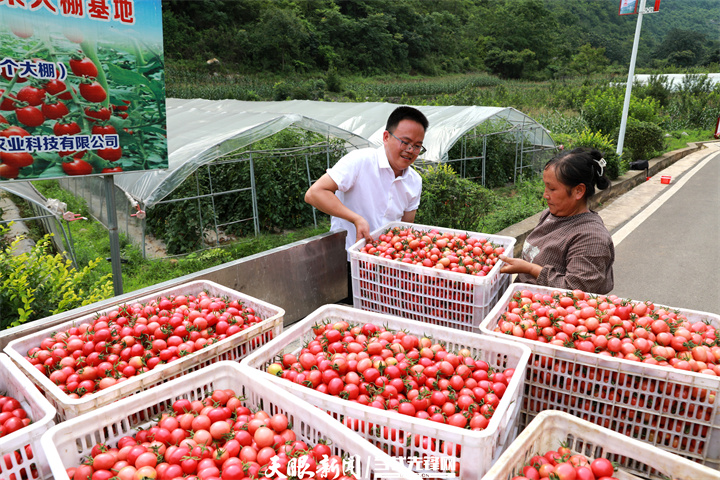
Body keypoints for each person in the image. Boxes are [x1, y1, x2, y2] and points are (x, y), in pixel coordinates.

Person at [304, 105, 429, 301]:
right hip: (350, 263)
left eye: (417, 145)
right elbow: (314, 193)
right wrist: (356, 219)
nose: (410, 150)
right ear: (386, 137)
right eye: (405, 142)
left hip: (388, 268)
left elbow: (406, 228)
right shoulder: (360, 161)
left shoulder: (414, 181)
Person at [499, 147, 615, 294]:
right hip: (524, 304)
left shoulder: (591, 238)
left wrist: (531, 269)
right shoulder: (550, 215)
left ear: (578, 191)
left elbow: (576, 292)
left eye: (552, 189)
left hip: (549, 313)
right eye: (545, 187)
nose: (545, 195)